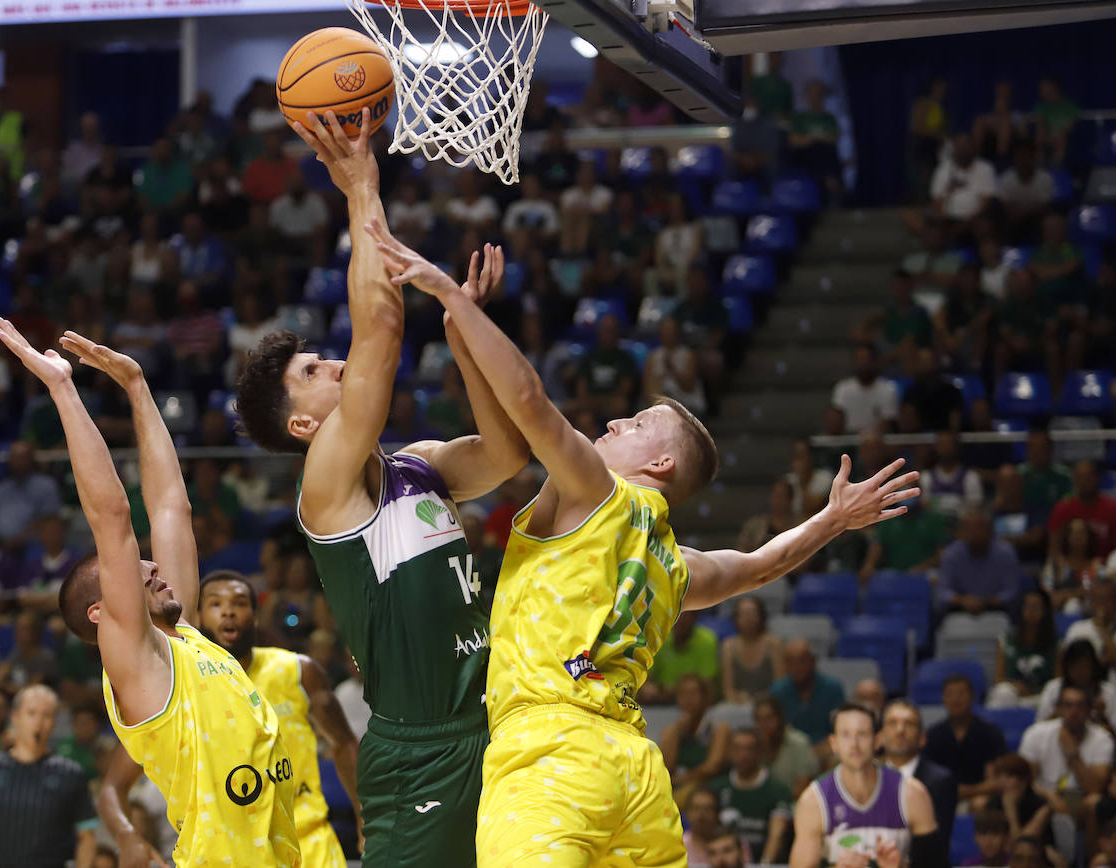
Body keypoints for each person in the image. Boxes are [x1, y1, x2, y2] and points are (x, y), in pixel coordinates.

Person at [364, 204, 918, 867]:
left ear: (660, 465)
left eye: (637, 423)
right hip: (635, 775)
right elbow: (760, 565)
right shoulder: (677, 566)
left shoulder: (596, 490)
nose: (616, 422)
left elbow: (531, 403)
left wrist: (454, 299)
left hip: (550, 752)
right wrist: (831, 520)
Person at [233, 110, 528, 868]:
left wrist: (464, 332)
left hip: (496, 723)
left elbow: (506, 452)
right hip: (419, 751)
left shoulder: (419, 465)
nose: (333, 365)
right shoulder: (325, 488)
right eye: (313, 374)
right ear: (303, 427)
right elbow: (382, 336)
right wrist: (363, 185)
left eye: (327, 358)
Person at [0, 320, 300, 867]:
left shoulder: (182, 641)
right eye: (138, 571)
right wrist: (64, 389)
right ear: (102, 611)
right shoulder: (136, 664)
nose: (155, 567)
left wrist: (137, 388)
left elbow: (169, 509)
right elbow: (113, 519)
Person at [100, 571, 362, 868]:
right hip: (232, 851)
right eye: (215, 604)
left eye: (239, 603)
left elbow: (344, 743)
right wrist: (127, 836)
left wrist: (363, 815)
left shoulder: (297, 671)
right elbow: (113, 786)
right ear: (195, 619)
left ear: (256, 615)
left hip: (310, 842)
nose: (228, 611)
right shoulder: (177, 688)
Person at [0, 685, 97, 868]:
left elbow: (86, 837)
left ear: (54, 723)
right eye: (31, 713)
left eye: (46, 716)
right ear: (15, 718)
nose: (38, 723)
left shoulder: (71, 774)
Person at [789, 704, 943, 868]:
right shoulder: (813, 801)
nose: (854, 744)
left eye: (862, 734)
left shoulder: (912, 793)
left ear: (878, 740)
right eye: (846, 735)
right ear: (833, 743)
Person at [708, 727, 794, 864]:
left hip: (763, 861)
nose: (743, 754)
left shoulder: (777, 790)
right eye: (738, 748)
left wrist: (764, 866)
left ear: (759, 752)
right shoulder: (718, 787)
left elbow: (776, 835)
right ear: (729, 752)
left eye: (749, 749)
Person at [1018, 684, 1113, 807]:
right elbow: (1025, 780)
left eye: (1080, 706)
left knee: (1093, 801)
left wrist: (1073, 755)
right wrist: (1049, 796)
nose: (1074, 712)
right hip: (1041, 796)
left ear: (1089, 710)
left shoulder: (1102, 738)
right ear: (1058, 709)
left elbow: (1095, 788)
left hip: (1080, 798)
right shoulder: (1036, 733)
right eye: (1068, 705)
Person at [882, 698, 959, 844]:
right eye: (892, 723)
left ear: (922, 738)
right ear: (880, 737)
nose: (900, 730)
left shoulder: (941, 781)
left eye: (909, 724)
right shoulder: (869, 777)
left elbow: (936, 843)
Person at [924, 674, 1009, 807]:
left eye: (961, 693)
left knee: (982, 803)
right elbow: (928, 779)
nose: (956, 699)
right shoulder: (933, 735)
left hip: (980, 798)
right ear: (943, 698)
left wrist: (967, 792)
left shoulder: (990, 733)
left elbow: (995, 781)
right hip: (941, 797)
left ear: (972, 697)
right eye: (950, 694)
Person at [659, 673, 730, 802]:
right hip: (677, 785)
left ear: (704, 697)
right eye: (683, 694)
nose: (688, 699)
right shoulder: (672, 730)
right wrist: (676, 732)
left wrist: (681, 779)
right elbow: (665, 767)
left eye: (693, 693)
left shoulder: (718, 727)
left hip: (707, 785)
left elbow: (711, 767)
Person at [940, 507, 1022, 614]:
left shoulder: (1005, 553)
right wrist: (963, 600)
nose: (974, 533)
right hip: (959, 612)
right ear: (961, 532)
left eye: (979, 527)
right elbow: (943, 592)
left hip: (998, 612)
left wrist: (985, 602)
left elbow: (1012, 592)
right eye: (968, 528)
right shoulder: (951, 554)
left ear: (990, 530)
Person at [769, 639, 846, 749]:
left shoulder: (833, 688)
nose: (796, 668)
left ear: (813, 662)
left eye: (802, 661)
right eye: (791, 662)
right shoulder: (777, 691)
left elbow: (841, 728)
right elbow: (774, 732)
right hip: (788, 750)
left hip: (827, 747)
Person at [990, 589, 1059, 709]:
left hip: (1041, 698)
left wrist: (1036, 691)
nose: (1031, 611)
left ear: (1045, 611)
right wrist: (1016, 686)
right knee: (1002, 692)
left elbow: (1058, 682)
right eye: (1027, 606)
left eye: (1036, 606)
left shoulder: (1056, 645)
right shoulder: (1005, 641)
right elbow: (998, 679)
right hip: (1015, 696)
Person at [0, 441, 61, 548]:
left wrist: (20, 538)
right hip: (1, 546)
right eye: (14, 457)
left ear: (31, 459)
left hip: (35, 544)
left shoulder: (46, 485)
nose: (17, 461)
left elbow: (49, 521)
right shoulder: (1, 488)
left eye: (21, 457)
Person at [640, 609, 720, 704]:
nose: (680, 621)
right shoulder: (659, 638)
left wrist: (674, 689)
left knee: (692, 691)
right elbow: (646, 677)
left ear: (694, 618)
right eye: (677, 617)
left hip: (695, 701)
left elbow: (707, 683)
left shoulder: (707, 640)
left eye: (684, 617)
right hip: (660, 700)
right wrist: (648, 687)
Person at [1035, 640, 1116, 729]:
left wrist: (1103, 716)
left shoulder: (1108, 692)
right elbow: (1038, 728)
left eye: (1084, 666)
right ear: (1067, 667)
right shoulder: (1053, 688)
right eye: (1075, 666)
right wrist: (1058, 712)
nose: (1080, 672)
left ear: (1093, 667)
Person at [756, 694, 821, 796]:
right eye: (759, 719)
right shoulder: (754, 744)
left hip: (792, 803)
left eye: (768, 718)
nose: (764, 724)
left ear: (780, 717)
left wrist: (777, 803)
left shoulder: (799, 743)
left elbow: (803, 785)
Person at [1049, 461, 1116, 559]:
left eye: (1088, 477)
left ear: (1097, 478)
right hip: (1069, 567)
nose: (1084, 482)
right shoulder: (1063, 508)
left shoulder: (1113, 508)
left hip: (1105, 568)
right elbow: (1054, 549)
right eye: (1079, 477)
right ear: (1074, 480)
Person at [721, 596, 782, 703]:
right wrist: (738, 697)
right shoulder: (728, 646)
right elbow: (728, 690)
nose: (748, 617)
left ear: (761, 616)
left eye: (752, 612)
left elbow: (781, 685)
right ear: (735, 618)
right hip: (739, 705)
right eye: (743, 613)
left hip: (770, 704)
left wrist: (762, 700)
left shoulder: (773, 644)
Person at [986, 754, 1052, 847]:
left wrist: (1010, 809)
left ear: (1024, 781)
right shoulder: (993, 803)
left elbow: (1021, 846)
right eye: (999, 776)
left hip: (1035, 856)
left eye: (1009, 776)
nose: (1002, 781)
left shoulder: (1041, 807)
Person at [831, 345, 899, 432]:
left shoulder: (888, 389)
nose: (863, 364)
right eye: (859, 359)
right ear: (854, 362)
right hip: (847, 441)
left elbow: (887, 423)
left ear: (875, 362)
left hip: (877, 441)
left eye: (867, 359)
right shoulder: (842, 388)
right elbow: (835, 421)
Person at [1044, 519, 1104, 615]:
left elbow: (1102, 597)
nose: (1078, 537)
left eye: (1081, 533)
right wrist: (1076, 593)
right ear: (1067, 536)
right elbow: (1047, 597)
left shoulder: (1096, 565)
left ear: (1089, 536)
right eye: (1074, 533)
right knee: (1072, 605)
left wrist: (1065, 594)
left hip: (1091, 614)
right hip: (1059, 613)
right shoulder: (1056, 564)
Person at [686, 788, 755, 868]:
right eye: (696, 808)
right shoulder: (678, 844)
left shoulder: (736, 840)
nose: (701, 815)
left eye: (707, 808)